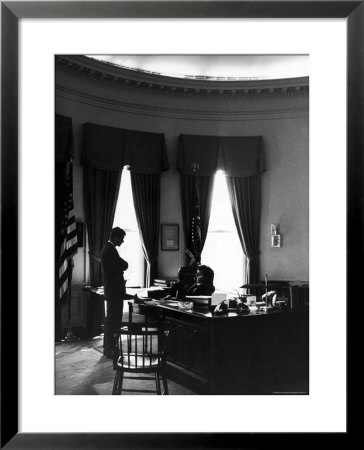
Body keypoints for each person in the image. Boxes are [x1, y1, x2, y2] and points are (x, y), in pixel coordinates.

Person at [101, 227, 129, 357]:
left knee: (111, 320)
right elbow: (124, 265)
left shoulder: (109, 250)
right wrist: (122, 265)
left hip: (113, 291)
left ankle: (109, 348)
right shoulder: (110, 250)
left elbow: (120, 265)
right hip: (114, 292)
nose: (122, 241)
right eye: (121, 238)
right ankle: (111, 349)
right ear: (115, 237)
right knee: (114, 321)